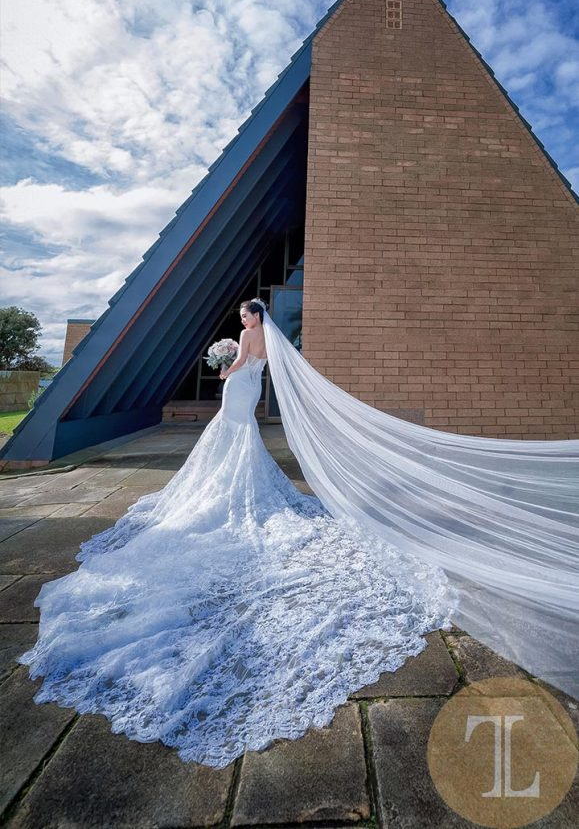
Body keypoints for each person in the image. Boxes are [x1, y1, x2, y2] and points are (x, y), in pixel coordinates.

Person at [17, 298, 579, 767]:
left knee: (231, 444)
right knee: (236, 446)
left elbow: (240, 369)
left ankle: (233, 493)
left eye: (246, 315)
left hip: (237, 394)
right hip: (242, 396)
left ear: (256, 318)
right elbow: (249, 369)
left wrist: (224, 365)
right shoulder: (259, 340)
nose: (242, 322)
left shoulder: (249, 344)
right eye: (241, 318)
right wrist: (233, 362)